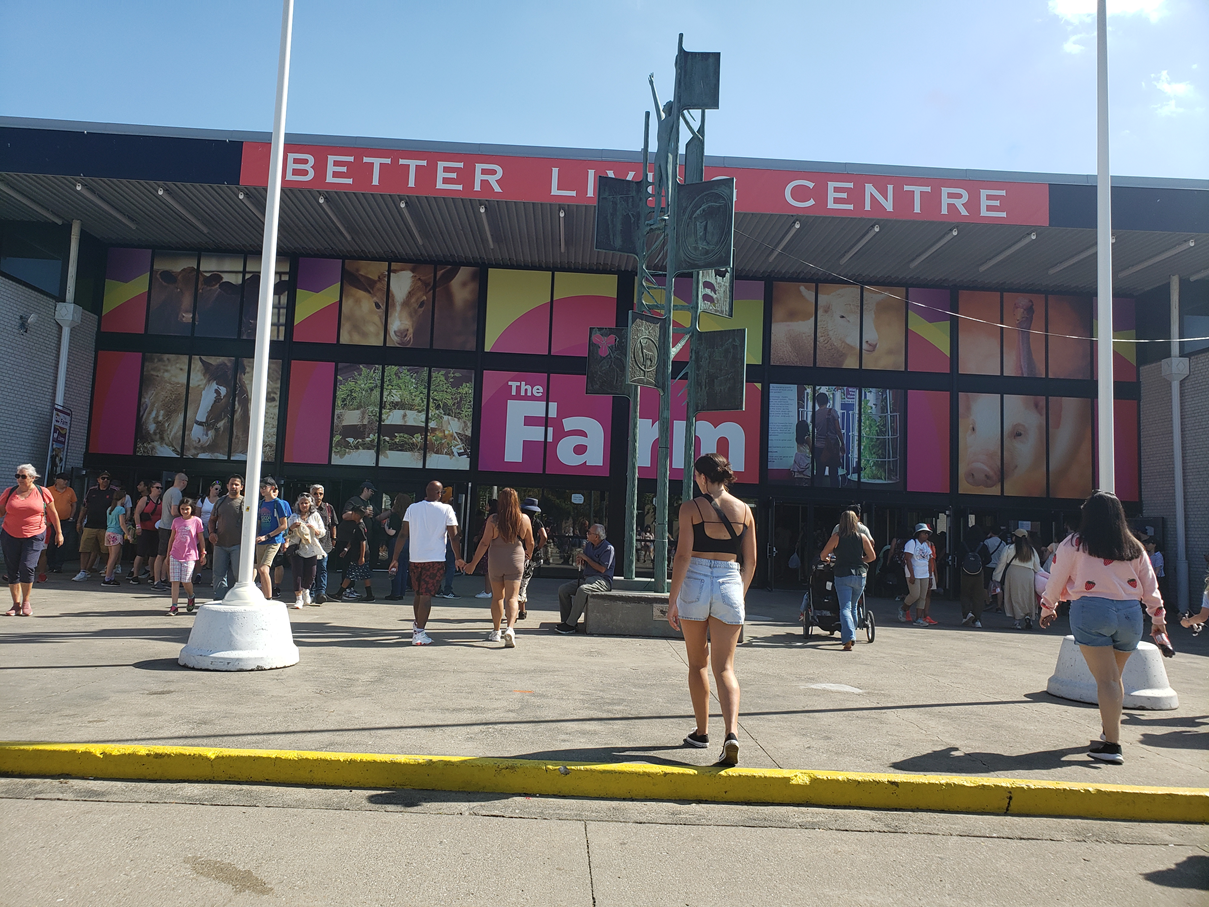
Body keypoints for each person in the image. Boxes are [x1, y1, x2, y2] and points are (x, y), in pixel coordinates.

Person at [1040, 491, 1165, 764]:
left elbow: (1056, 577)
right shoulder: (1133, 545)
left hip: (1092, 610)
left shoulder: (1075, 543)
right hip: (1131, 615)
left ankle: (1112, 746)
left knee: (1106, 680)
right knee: (1114, 678)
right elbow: (1150, 586)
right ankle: (1109, 731)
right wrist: (1158, 620)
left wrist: (1048, 607)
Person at [667, 453, 756, 766]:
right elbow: (751, 561)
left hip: (695, 582)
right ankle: (731, 733)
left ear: (703, 477)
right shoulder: (745, 511)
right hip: (730, 580)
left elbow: (682, 556)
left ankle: (702, 732)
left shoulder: (691, 508)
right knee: (725, 668)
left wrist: (672, 599)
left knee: (697, 664)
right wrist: (738, 595)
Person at [461, 487, 534, 647]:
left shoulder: (493, 520)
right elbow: (531, 542)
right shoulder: (524, 519)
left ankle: (496, 631)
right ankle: (510, 628)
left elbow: (485, 542)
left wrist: (472, 564)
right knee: (513, 598)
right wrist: (529, 553)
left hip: (496, 560)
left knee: (497, 597)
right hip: (515, 559)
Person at [390, 480, 460, 646]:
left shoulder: (412, 508)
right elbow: (454, 536)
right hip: (435, 559)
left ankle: (417, 626)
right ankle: (420, 633)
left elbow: (402, 534)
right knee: (426, 596)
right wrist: (458, 557)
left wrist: (394, 558)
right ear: (439, 493)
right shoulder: (446, 509)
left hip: (415, 558)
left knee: (418, 594)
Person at [1, 464, 61, 617]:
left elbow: (53, 513)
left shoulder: (42, 492)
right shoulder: (10, 492)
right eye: (17, 476)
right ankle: (16, 604)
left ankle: (26, 601)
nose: (19, 479)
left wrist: (58, 533)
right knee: (12, 568)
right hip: (10, 534)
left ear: (33, 478)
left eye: (23, 476)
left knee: (27, 566)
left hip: (34, 535)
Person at [820, 508, 877, 651]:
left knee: (844, 607)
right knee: (853, 606)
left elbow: (822, 555)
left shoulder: (837, 537)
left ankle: (848, 638)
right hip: (860, 575)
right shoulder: (862, 537)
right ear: (856, 521)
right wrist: (860, 559)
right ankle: (852, 631)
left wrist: (828, 559)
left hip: (842, 574)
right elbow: (872, 557)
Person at [554, 523, 615, 635]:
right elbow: (585, 565)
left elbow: (602, 569)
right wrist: (580, 562)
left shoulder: (608, 548)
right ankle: (566, 621)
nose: (587, 534)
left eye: (589, 533)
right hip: (587, 578)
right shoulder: (588, 546)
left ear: (597, 536)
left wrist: (586, 558)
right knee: (563, 590)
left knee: (583, 590)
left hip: (602, 581)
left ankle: (570, 624)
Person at [994, 528, 1042, 629]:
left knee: (1015, 596)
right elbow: (1037, 567)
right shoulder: (1031, 551)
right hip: (1028, 574)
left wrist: (996, 578)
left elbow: (1001, 564)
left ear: (1015, 538)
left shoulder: (1009, 548)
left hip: (1013, 573)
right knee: (1028, 596)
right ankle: (1028, 616)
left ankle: (1017, 621)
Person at [285, 492, 326, 609]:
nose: (304, 505)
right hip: (297, 548)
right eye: (302, 503)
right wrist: (291, 528)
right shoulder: (293, 517)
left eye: (306, 503)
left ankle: (306, 590)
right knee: (297, 573)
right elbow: (286, 533)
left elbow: (322, 532)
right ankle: (298, 598)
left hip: (311, 548)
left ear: (310, 504)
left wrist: (314, 529)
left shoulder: (315, 516)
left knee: (311, 573)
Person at [166, 497, 205, 615]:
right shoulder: (176, 521)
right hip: (175, 553)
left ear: (191, 509)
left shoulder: (197, 521)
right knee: (175, 581)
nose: (184, 511)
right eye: (182, 509)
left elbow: (201, 538)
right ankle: (174, 606)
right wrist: (168, 554)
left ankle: (190, 596)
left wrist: (203, 553)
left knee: (186, 580)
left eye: (187, 509)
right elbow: (172, 538)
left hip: (190, 555)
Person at [208, 475, 244, 601]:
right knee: (218, 573)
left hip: (238, 544)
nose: (233, 486)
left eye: (236, 484)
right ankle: (219, 598)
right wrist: (212, 533)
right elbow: (212, 520)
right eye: (231, 484)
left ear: (241, 487)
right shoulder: (220, 501)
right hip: (220, 543)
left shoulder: (245, 502)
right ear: (227, 486)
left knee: (239, 574)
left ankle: (237, 598)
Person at [254, 477, 290, 601]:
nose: (262, 489)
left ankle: (268, 598)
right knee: (260, 569)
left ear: (272, 488)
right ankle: (265, 597)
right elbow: (258, 523)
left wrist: (268, 536)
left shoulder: (278, 503)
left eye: (265, 487)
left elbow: (284, 525)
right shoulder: (260, 503)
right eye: (261, 487)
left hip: (273, 540)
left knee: (264, 568)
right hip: (261, 540)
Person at [73, 471, 113, 581]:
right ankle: (83, 571)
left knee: (105, 550)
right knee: (85, 548)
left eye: (108, 479)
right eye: (103, 478)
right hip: (90, 524)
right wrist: (79, 521)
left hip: (106, 526)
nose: (105, 480)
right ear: (98, 479)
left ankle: (109, 569)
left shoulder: (113, 491)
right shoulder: (92, 491)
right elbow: (85, 507)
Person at [335, 500, 375, 602]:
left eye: (353, 513)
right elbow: (353, 540)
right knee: (365, 575)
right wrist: (346, 549)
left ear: (357, 515)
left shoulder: (360, 527)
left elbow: (363, 542)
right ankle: (369, 595)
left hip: (359, 555)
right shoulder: (357, 526)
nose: (351, 515)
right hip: (358, 554)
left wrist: (361, 557)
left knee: (350, 574)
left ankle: (339, 593)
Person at [155, 472, 188, 591]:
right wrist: (186, 513)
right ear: (183, 482)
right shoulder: (177, 493)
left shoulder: (168, 491)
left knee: (165, 554)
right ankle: (158, 580)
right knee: (164, 554)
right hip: (170, 527)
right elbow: (174, 511)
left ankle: (163, 578)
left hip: (164, 525)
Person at [40, 473, 77, 577]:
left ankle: (58, 566)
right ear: (57, 480)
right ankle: (50, 564)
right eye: (63, 480)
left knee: (62, 543)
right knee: (51, 542)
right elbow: (42, 504)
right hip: (50, 521)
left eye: (67, 480)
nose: (65, 482)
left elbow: (74, 504)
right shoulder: (49, 490)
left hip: (65, 521)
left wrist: (71, 516)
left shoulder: (70, 491)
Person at [900, 523, 936, 625]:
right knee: (915, 594)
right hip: (914, 573)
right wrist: (912, 574)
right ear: (918, 534)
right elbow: (908, 559)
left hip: (924, 574)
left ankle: (918, 618)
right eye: (924, 533)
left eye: (928, 533)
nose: (926, 535)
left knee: (923, 597)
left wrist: (930, 576)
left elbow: (929, 561)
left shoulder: (926, 545)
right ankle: (903, 608)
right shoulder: (912, 543)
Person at [516, 497, 546, 620]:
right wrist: (537, 549)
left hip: (518, 552)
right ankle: (522, 610)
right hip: (530, 555)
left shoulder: (519, 520)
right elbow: (544, 536)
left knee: (516, 583)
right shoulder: (537, 522)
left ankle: (517, 610)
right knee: (524, 582)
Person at [130, 479, 162, 585]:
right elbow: (137, 513)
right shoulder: (145, 499)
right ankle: (135, 574)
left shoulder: (161, 501)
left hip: (156, 530)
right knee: (141, 553)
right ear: (151, 489)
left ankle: (152, 575)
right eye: (157, 487)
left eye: (161, 488)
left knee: (153, 554)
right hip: (144, 529)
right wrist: (138, 526)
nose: (159, 490)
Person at [309, 484, 337, 604]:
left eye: (320, 494)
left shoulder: (328, 507)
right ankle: (309, 592)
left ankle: (321, 592)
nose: (318, 496)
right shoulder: (306, 507)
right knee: (310, 569)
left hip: (324, 543)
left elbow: (333, 524)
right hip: (309, 542)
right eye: (315, 493)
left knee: (322, 568)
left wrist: (334, 538)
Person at [812, 392, 845, 488]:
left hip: (818, 447)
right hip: (831, 447)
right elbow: (838, 430)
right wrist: (842, 443)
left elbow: (815, 430)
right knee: (834, 475)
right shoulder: (832, 412)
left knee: (819, 475)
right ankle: (834, 498)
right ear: (827, 401)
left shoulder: (814, 414)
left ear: (817, 402)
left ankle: (818, 498)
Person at [100, 488, 131, 586]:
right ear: (123, 498)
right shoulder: (121, 509)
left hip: (108, 532)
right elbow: (122, 523)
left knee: (111, 556)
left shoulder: (110, 509)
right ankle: (107, 578)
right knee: (114, 557)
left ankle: (110, 576)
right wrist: (128, 534)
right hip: (117, 533)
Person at [958, 526, 987, 628]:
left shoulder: (963, 544)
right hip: (979, 573)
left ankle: (967, 614)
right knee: (978, 596)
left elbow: (959, 558)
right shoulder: (982, 545)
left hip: (965, 573)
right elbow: (988, 558)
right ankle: (977, 619)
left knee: (965, 594)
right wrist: (981, 564)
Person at [384, 493, 410, 601]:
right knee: (404, 569)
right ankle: (401, 592)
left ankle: (394, 593)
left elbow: (392, 532)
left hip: (396, 542)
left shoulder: (395, 515)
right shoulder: (409, 515)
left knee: (394, 567)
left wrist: (385, 526)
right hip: (408, 543)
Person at [197, 480, 222, 583]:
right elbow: (197, 515)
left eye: (219, 490)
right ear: (210, 488)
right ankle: (198, 574)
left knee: (216, 552)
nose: (217, 491)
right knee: (201, 550)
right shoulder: (202, 500)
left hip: (215, 528)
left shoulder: (220, 501)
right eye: (216, 489)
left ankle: (214, 577)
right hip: (202, 527)